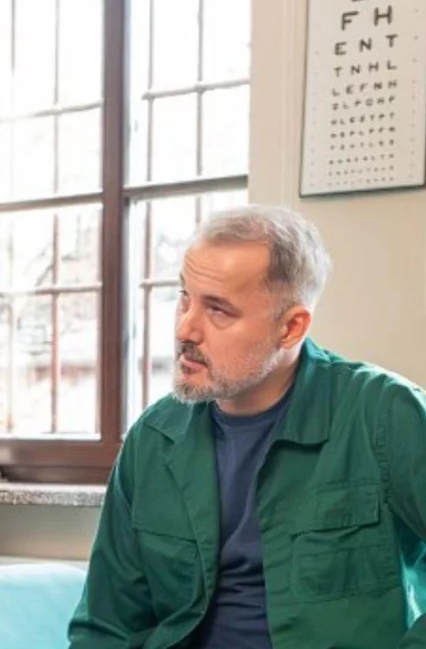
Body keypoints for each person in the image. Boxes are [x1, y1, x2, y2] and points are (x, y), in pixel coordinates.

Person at [68, 205, 426, 649]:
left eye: (218, 310)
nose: (185, 329)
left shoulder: (384, 413)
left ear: (290, 327)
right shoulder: (154, 437)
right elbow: (106, 625)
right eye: (185, 297)